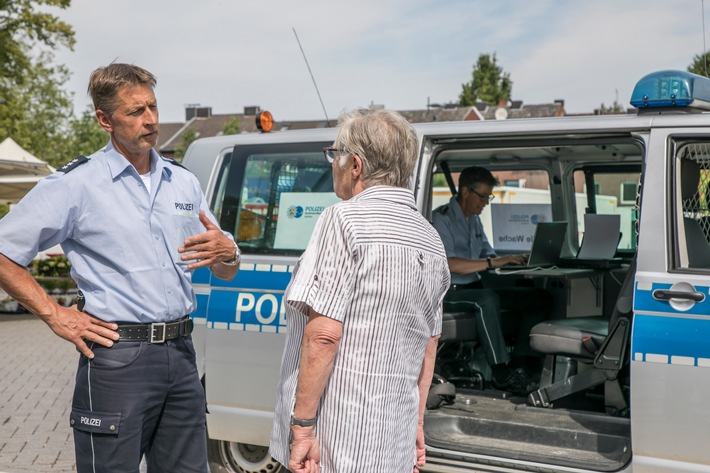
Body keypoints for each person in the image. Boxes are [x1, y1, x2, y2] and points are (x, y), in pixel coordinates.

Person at [0, 63, 240, 473]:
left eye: (152, 107)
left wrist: (229, 254)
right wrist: (55, 315)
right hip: (117, 357)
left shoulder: (183, 182)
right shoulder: (77, 184)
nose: (150, 121)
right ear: (104, 120)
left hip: (182, 357)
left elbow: (224, 269)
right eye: (135, 112)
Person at [269, 109, 450, 473]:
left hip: (337, 438)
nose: (332, 163)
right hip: (394, 439)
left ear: (355, 164)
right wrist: (416, 425)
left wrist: (302, 428)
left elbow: (323, 336)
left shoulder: (344, 219)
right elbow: (429, 344)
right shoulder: (430, 238)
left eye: (334, 154)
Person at [432, 166, 551, 395]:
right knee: (486, 299)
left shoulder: (473, 220)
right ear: (465, 192)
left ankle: (520, 363)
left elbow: (489, 253)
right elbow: (448, 264)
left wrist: (517, 260)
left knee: (540, 298)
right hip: (449, 293)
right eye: (483, 196)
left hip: (473, 288)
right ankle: (501, 372)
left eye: (489, 196)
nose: (486, 202)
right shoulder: (442, 218)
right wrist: (492, 263)